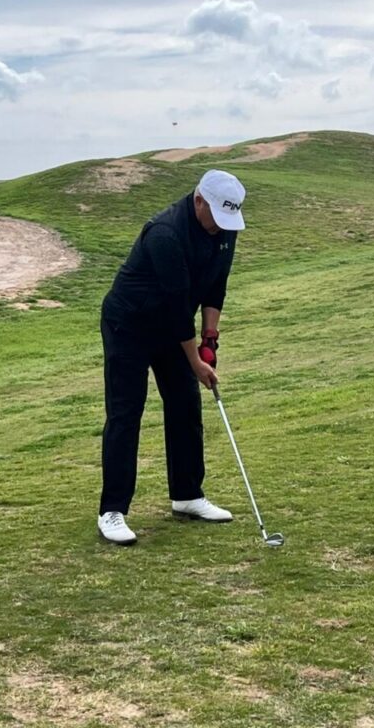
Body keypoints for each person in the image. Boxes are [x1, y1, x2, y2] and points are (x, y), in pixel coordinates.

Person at [97, 169, 247, 545]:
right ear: (199, 200)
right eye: (217, 216)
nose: (221, 227)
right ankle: (112, 511)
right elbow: (179, 306)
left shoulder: (224, 229)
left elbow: (216, 288)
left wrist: (210, 340)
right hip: (129, 324)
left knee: (184, 404)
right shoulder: (165, 233)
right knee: (126, 412)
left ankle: (187, 495)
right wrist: (195, 361)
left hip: (171, 329)